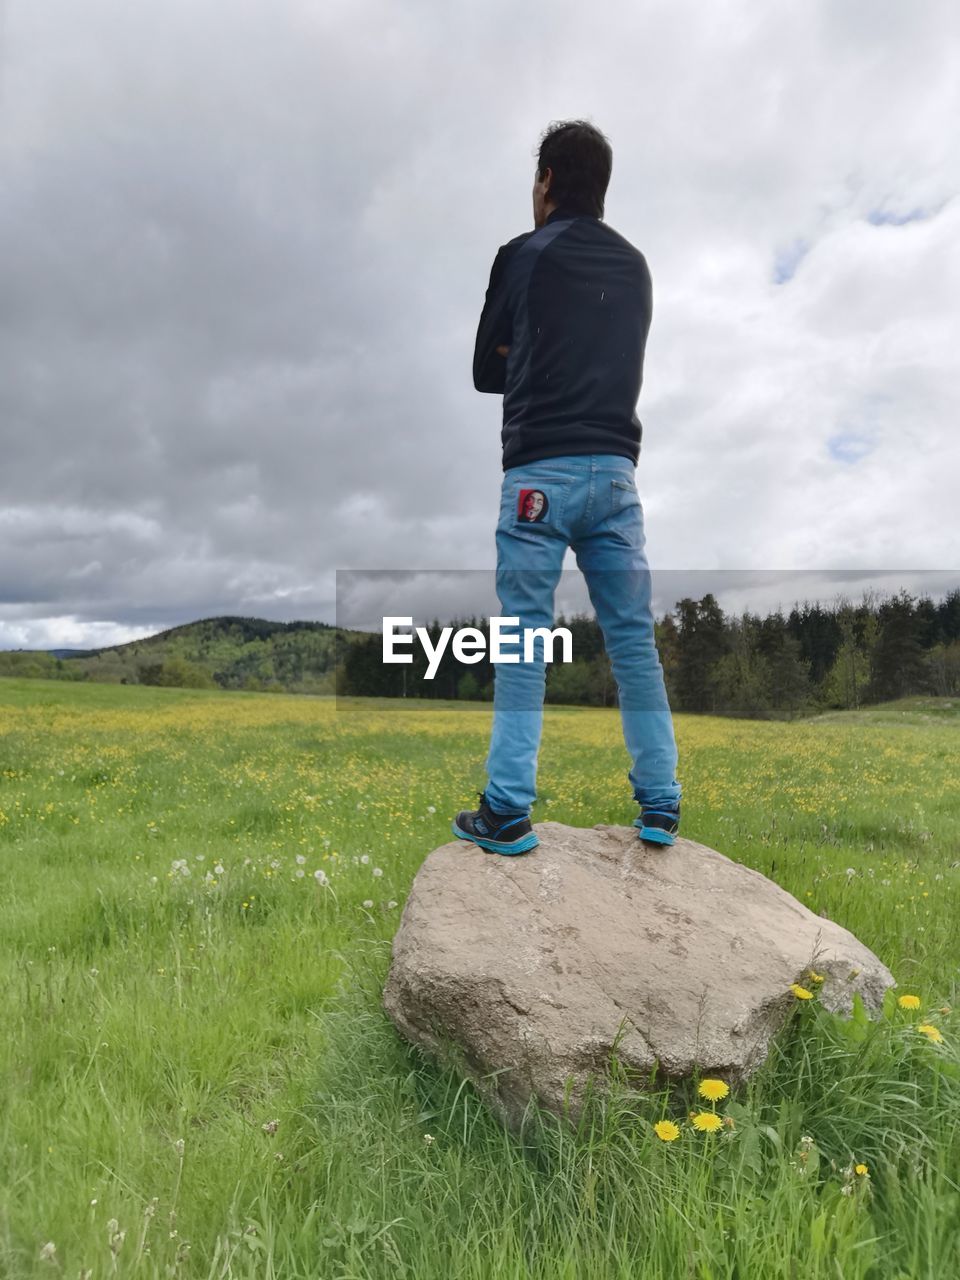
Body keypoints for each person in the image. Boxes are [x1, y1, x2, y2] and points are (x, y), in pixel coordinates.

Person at [452, 119, 682, 856]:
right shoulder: (638, 266)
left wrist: (523, 347)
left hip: (537, 477)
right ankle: (661, 803)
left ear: (546, 181)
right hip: (616, 475)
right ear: (602, 187)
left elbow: (487, 370)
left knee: (523, 638)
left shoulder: (521, 257)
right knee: (632, 641)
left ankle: (507, 811)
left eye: (536, 181)